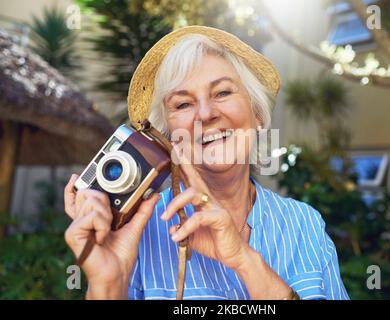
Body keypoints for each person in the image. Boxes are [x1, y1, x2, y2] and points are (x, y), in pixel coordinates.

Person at [64, 26, 349, 300]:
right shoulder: (137, 231)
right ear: (167, 137)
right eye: (183, 104)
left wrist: (242, 258)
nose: (206, 114)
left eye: (223, 92)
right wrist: (108, 285)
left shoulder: (304, 224)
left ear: (258, 112)